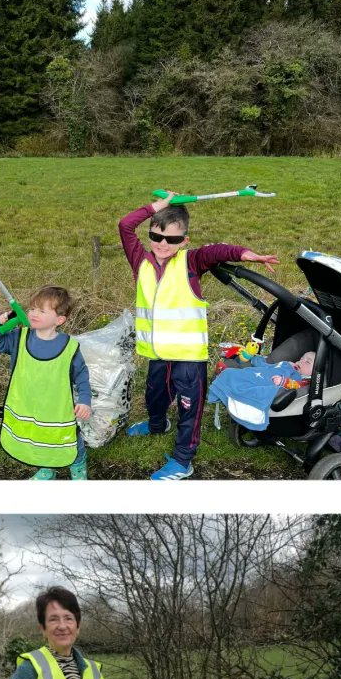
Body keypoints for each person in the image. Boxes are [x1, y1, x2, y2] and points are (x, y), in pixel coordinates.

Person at [119, 191, 279, 479]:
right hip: (157, 354)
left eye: (173, 239)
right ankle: (157, 425)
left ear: (184, 242)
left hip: (189, 359)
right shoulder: (140, 261)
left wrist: (246, 254)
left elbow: (216, 251)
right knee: (154, 397)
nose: (163, 244)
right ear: (150, 236)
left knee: (188, 409)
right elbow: (125, 225)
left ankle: (183, 460)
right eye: (157, 237)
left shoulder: (190, 262)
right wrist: (160, 205)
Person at [0, 285, 92, 480]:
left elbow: (82, 375)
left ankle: (78, 467)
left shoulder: (69, 347)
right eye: (32, 308)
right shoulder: (20, 337)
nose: (33, 313)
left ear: (59, 320)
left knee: (69, 439)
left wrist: (85, 400)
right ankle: (46, 468)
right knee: (38, 439)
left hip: (58, 409)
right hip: (29, 407)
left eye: (42, 311)